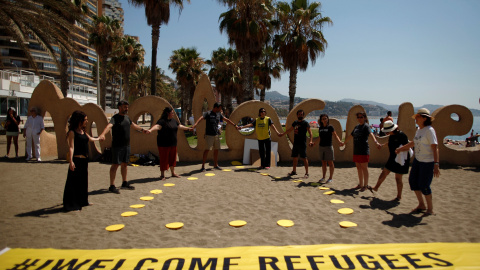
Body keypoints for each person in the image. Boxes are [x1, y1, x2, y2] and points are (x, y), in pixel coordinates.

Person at [396, 108, 440, 217]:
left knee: (424, 185)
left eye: (418, 117)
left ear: (425, 118)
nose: (416, 118)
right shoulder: (419, 130)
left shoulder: (430, 130)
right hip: (417, 161)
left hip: (427, 162)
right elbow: (413, 143)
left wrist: (436, 164)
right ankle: (421, 204)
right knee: (413, 181)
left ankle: (430, 209)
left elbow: (435, 148)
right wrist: (401, 149)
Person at [99, 100, 146, 194]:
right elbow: (109, 126)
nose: (126, 109)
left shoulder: (127, 118)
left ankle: (124, 183)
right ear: (119, 107)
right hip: (117, 146)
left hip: (126, 146)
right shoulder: (115, 118)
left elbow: (134, 126)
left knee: (125, 164)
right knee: (115, 165)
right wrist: (103, 134)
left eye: (127, 107)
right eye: (125, 107)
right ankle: (112, 186)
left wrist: (142, 129)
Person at [63, 111, 100, 211]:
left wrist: (100, 138)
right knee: (73, 183)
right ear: (80, 120)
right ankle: (72, 204)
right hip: (76, 160)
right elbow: (71, 147)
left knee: (83, 182)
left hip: (84, 161)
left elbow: (91, 139)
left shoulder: (83, 132)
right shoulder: (72, 132)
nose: (87, 121)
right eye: (85, 120)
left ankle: (83, 201)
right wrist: (71, 161)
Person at [145, 107, 193, 180]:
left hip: (173, 143)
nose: (173, 114)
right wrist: (150, 130)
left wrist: (188, 128)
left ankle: (173, 173)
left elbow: (179, 126)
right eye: (172, 113)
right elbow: (157, 126)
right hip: (163, 144)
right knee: (164, 159)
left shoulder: (173, 121)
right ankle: (162, 175)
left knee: (172, 159)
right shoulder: (162, 121)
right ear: (168, 113)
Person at [370, 120, 411, 201]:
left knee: (398, 178)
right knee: (384, 172)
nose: (386, 133)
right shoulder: (392, 135)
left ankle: (399, 196)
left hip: (401, 159)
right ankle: (376, 188)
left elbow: (408, 147)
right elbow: (389, 143)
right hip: (392, 157)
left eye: (387, 131)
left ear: (392, 129)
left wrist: (400, 150)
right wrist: (382, 145)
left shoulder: (402, 135)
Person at [192, 103, 240, 171]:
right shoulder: (208, 113)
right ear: (215, 108)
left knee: (216, 149)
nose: (220, 110)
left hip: (216, 135)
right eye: (219, 108)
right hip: (209, 135)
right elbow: (201, 118)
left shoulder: (219, 114)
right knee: (207, 150)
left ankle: (215, 164)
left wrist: (235, 125)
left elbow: (226, 120)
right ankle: (203, 166)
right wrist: (195, 124)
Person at [343, 111, 381, 191]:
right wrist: (344, 143)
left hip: (364, 150)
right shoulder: (356, 127)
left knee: (364, 168)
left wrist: (376, 142)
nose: (360, 119)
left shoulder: (366, 126)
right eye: (358, 117)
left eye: (361, 117)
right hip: (356, 150)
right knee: (358, 167)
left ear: (364, 118)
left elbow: (371, 134)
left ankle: (365, 185)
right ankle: (360, 184)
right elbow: (351, 135)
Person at [279, 110, 314, 178]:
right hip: (296, 143)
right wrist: (283, 134)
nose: (300, 115)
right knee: (295, 157)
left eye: (301, 114)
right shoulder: (295, 122)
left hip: (302, 143)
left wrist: (311, 140)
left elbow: (311, 133)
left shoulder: (305, 123)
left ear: (303, 115)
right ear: (297, 115)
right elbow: (290, 130)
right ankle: (294, 171)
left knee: (304, 158)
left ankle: (307, 173)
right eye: (299, 114)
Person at [317, 114, 344, 183]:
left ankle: (330, 178)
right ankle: (323, 177)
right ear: (321, 120)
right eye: (323, 119)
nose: (324, 120)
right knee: (323, 163)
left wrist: (339, 142)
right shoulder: (320, 128)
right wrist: (314, 143)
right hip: (321, 147)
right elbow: (320, 137)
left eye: (325, 118)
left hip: (328, 147)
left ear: (327, 119)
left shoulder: (330, 127)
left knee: (330, 162)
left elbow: (335, 135)